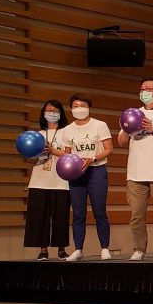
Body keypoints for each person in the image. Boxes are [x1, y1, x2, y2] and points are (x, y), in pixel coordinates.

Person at [116, 78, 153, 261]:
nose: (145, 92)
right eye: (142, 89)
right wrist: (127, 128)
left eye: (149, 89)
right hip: (135, 172)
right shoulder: (132, 113)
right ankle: (139, 248)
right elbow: (121, 142)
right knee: (136, 215)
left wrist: (152, 129)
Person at [52, 94, 113, 261]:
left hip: (97, 171)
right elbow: (67, 154)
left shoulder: (100, 125)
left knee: (100, 212)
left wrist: (93, 158)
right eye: (75, 105)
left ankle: (105, 248)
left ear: (88, 107)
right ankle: (78, 249)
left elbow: (108, 148)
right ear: (71, 109)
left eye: (82, 105)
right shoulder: (67, 130)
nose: (79, 108)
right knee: (78, 213)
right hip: (77, 175)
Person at [24, 100, 69, 260]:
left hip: (61, 181)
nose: (51, 113)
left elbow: (71, 156)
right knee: (39, 216)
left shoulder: (67, 133)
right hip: (39, 180)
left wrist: (52, 150)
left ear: (61, 113)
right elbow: (30, 160)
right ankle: (43, 250)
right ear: (43, 113)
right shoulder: (38, 134)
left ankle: (61, 249)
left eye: (55, 110)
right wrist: (32, 154)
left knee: (61, 216)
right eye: (48, 110)